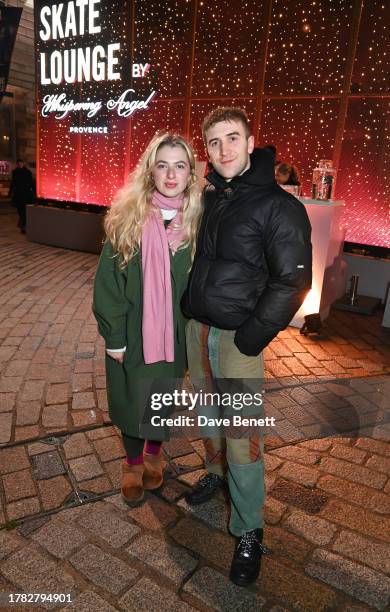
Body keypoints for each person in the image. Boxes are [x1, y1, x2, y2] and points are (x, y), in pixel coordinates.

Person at [182, 107, 312, 586]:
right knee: (209, 416)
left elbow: (294, 280)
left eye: (232, 138)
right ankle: (215, 475)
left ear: (251, 142)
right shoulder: (215, 195)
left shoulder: (279, 206)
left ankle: (249, 528)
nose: (223, 150)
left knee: (242, 435)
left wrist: (251, 336)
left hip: (238, 338)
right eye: (213, 142)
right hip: (200, 329)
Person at [93, 133, 201, 506]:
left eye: (180, 165)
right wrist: (115, 338)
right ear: (150, 171)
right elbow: (109, 284)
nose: (171, 175)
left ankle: (155, 455)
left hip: (175, 334)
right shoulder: (128, 219)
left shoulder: (199, 224)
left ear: (191, 174)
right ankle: (133, 463)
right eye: (163, 165)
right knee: (130, 397)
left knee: (162, 397)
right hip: (134, 332)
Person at [8, 159, 35, 233]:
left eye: (21, 163)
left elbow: (31, 183)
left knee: (24, 211)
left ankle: (23, 226)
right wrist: (10, 192)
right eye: (19, 163)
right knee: (20, 211)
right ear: (17, 164)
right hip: (18, 194)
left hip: (26, 194)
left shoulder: (27, 172)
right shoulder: (15, 172)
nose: (20, 164)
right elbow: (13, 183)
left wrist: (35, 192)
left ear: (24, 163)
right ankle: (23, 225)